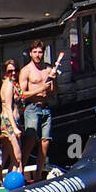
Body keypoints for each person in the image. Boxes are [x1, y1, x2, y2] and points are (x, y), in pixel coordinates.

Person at [19, 39, 59, 181]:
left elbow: (54, 92)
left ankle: (38, 175)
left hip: (46, 107)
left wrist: (53, 80)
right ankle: (21, 171)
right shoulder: (26, 71)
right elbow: (22, 94)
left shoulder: (48, 69)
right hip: (32, 107)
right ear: (30, 53)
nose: (37, 55)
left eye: (40, 52)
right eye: (35, 52)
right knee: (30, 140)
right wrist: (40, 89)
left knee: (45, 142)